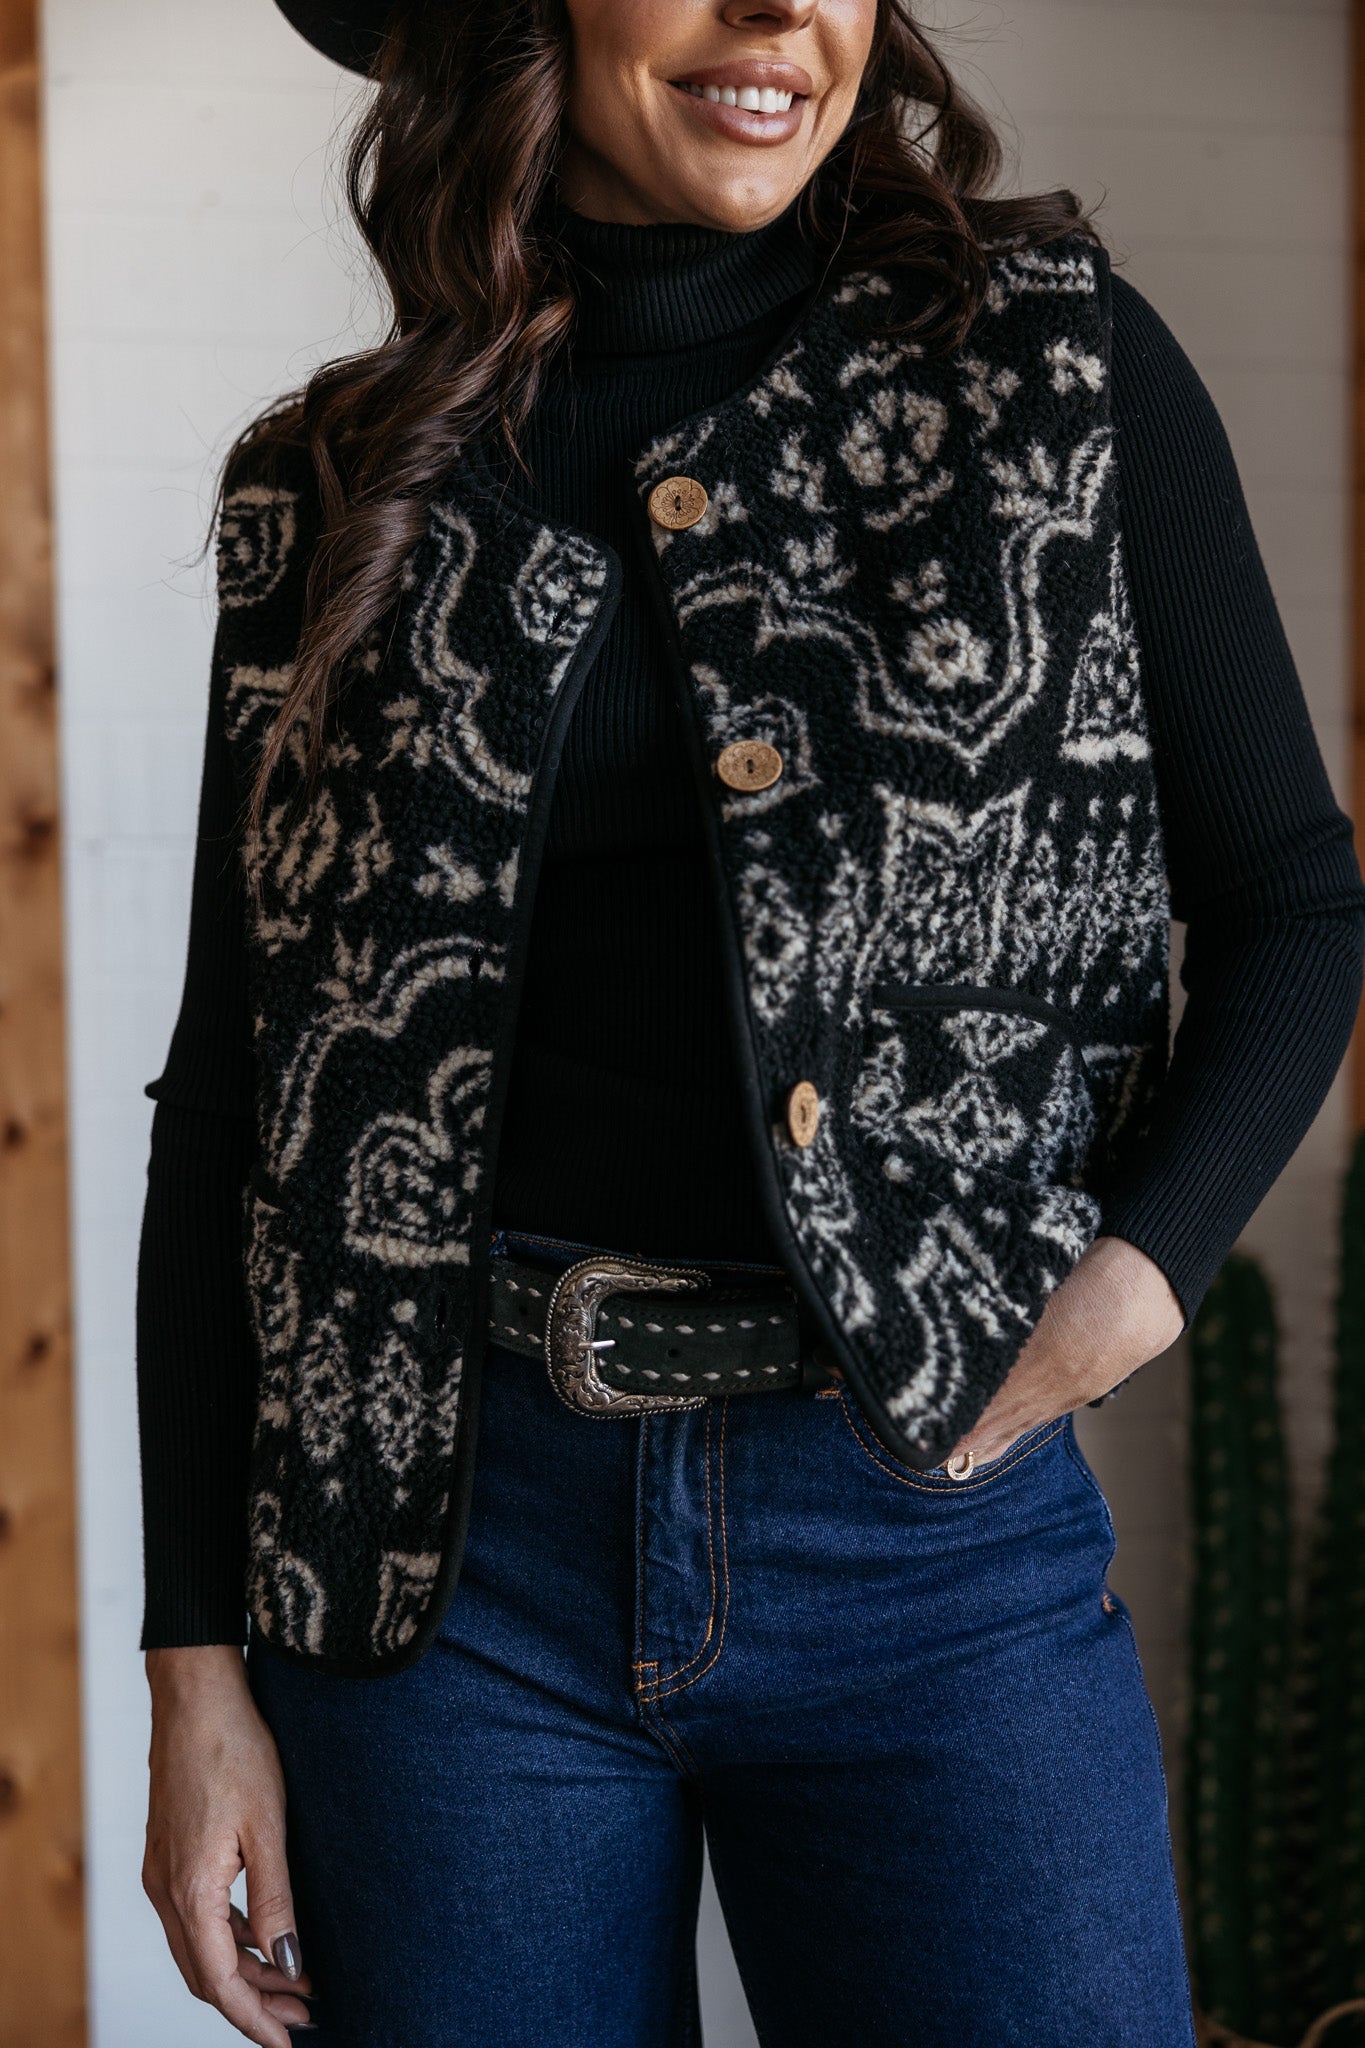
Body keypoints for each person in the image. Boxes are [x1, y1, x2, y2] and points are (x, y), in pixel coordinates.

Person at [135, 2, 1365, 2043]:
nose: (773, 9)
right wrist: (195, 1668)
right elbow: (236, 1099)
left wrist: (1137, 1279)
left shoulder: (1053, 372)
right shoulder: (332, 483)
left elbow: (1290, 904)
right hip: (438, 1580)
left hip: (927, 1535)